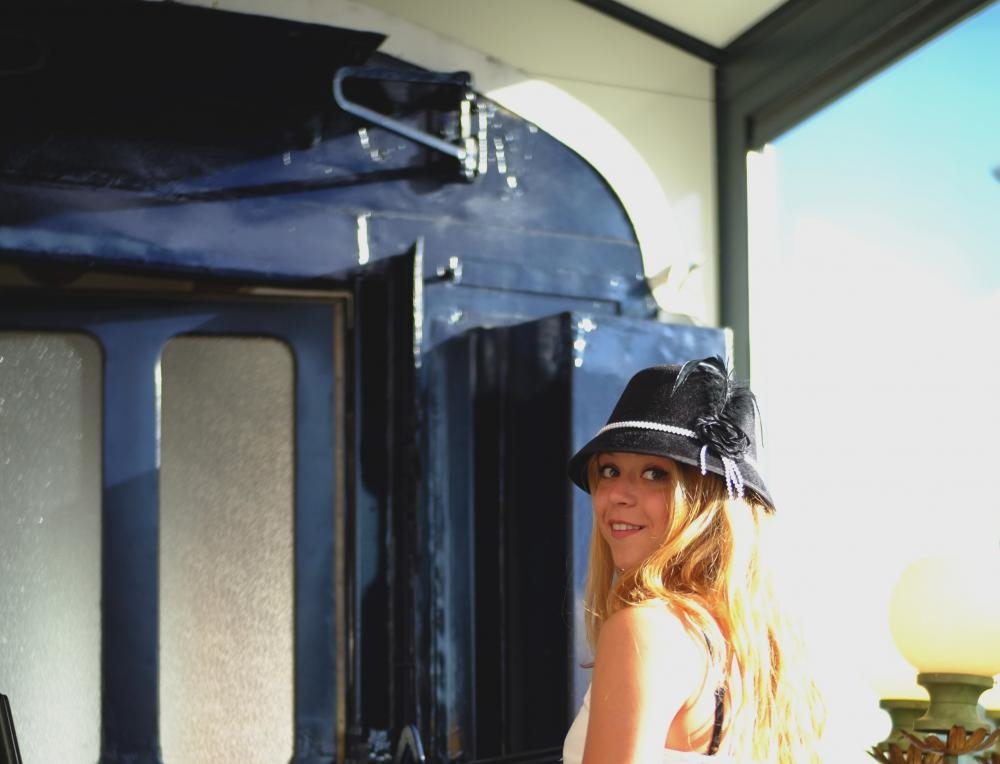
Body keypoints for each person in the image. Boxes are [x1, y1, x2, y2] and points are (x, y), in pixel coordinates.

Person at [561, 357, 824, 763]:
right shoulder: (756, 649)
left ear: (708, 500)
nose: (616, 495)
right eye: (609, 470)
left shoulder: (645, 629)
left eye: (655, 474)